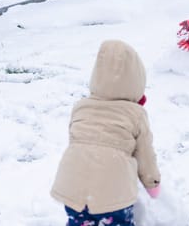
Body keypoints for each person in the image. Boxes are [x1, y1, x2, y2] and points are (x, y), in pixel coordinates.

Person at [51, 40, 161, 226]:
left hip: (73, 186)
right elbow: (145, 156)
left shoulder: (81, 107)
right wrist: (153, 185)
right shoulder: (135, 114)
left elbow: (79, 143)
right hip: (113, 193)